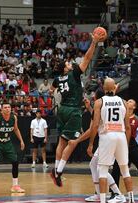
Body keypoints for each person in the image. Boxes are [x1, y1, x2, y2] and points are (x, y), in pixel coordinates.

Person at [49, 29, 105, 187]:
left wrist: (58, 95)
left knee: (61, 142)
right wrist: (94, 42)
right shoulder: (73, 73)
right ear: (66, 68)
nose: (69, 63)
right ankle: (58, 172)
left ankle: (56, 168)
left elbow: (51, 91)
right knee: (72, 142)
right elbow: (87, 58)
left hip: (62, 110)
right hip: (73, 110)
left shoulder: (56, 79)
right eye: (67, 63)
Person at [68, 89, 125, 202]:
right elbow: (97, 118)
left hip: (109, 140)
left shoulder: (99, 106)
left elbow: (91, 129)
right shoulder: (107, 105)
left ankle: (118, 194)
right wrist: (89, 108)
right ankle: (99, 194)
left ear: (97, 98)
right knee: (93, 164)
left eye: (93, 97)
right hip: (112, 139)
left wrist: (77, 141)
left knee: (100, 168)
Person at [87, 78, 134, 203]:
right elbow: (128, 127)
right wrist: (126, 144)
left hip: (107, 136)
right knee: (125, 170)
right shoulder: (124, 102)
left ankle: (102, 200)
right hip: (121, 136)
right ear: (115, 88)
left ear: (103, 88)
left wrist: (91, 143)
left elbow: (95, 125)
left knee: (102, 171)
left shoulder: (99, 102)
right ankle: (131, 199)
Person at [111, 99, 138, 196]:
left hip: (132, 145)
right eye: (127, 101)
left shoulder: (137, 119)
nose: (128, 102)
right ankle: (114, 191)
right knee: (116, 168)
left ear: (134, 107)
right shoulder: (119, 117)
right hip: (120, 145)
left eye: (131, 101)